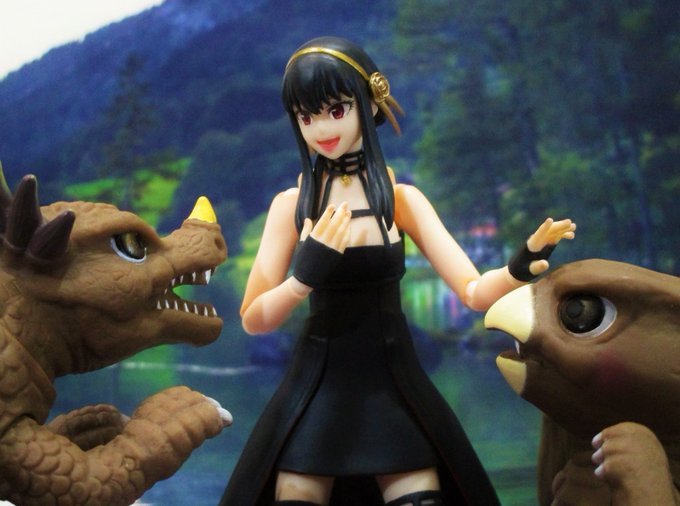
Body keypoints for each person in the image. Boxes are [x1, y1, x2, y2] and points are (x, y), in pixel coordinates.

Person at [220, 36, 576, 506]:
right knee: (296, 495)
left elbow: (472, 291)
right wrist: (302, 278)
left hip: (392, 385)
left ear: (370, 102)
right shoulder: (292, 206)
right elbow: (253, 319)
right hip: (317, 387)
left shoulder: (401, 200)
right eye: (306, 117)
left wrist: (519, 265)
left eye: (335, 110)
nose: (321, 128)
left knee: (419, 496)